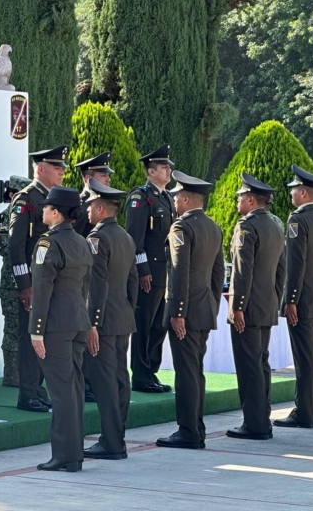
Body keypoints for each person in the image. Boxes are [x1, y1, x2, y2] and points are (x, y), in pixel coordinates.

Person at [156, 171, 224, 450]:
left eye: (175, 196)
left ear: (185, 198)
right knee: (195, 370)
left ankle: (188, 431)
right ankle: (196, 427)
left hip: (186, 310)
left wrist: (178, 311)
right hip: (204, 307)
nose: (173, 201)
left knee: (186, 373)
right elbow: (218, 273)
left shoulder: (181, 228)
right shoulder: (213, 226)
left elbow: (178, 271)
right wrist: (213, 303)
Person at [29, 187, 93, 472]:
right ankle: (73, 453)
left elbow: (42, 290)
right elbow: (86, 287)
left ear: (56, 212)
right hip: (78, 322)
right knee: (74, 388)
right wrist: (88, 323)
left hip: (55, 326)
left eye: (46, 207)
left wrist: (36, 330)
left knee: (62, 392)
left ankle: (65, 455)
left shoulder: (48, 243)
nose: (41, 211)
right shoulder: (82, 241)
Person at [9, 145, 69, 412]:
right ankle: (27, 392)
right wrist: (24, 285)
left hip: (51, 282)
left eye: (63, 168)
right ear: (40, 169)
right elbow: (16, 246)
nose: (62, 173)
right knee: (29, 336)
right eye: (57, 168)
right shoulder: (27, 199)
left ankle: (38, 388)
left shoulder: (56, 200)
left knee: (45, 335)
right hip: (33, 283)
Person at [226, 173, 286, 441]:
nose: (238, 200)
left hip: (248, 307)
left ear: (251, 199)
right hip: (266, 304)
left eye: (241, 196)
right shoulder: (275, 226)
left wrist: (236, 306)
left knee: (249, 365)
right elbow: (281, 270)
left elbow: (242, 271)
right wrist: (274, 297)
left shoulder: (247, 227)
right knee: (261, 363)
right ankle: (262, 418)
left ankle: (255, 424)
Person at [82, 180, 138, 460]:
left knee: (105, 383)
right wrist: (129, 309)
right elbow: (133, 282)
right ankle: (118, 436)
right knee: (119, 379)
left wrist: (92, 322)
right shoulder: (126, 237)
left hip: (102, 321)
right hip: (122, 317)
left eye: (90, 204)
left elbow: (97, 285)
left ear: (101, 207)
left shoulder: (97, 238)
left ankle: (111, 442)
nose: (87, 209)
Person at [274, 165, 313, 429]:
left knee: (304, 357)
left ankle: (304, 412)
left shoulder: (298, 220)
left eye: (294, 189)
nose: (291, 194)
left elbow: (295, 264)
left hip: (303, 298)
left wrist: (291, 299)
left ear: (304, 192)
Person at [125, 144, 177, 394]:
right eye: (164, 167)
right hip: (149, 273)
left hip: (165, 271)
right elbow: (135, 238)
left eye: (168, 167)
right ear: (151, 171)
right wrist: (142, 269)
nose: (168, 171)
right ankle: (141, 374)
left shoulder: (166, 197)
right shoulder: (140, 197)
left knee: (159, 325)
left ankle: (151, 371)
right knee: (144, 323)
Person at [0, 175, 30, 387]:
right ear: (11, 194)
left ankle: (25, 371)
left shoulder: (29, 215)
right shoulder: (7, 217)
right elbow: (3, 247)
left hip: (29, 280)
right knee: (12, 329)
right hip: (11, 283)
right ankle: (11, 374)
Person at [72, 151, 114, 237]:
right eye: (103, 175)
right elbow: (74, 241)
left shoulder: (104, 201)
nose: (108, 179)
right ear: (88, 179)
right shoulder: (80, 206)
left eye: (108, 175)